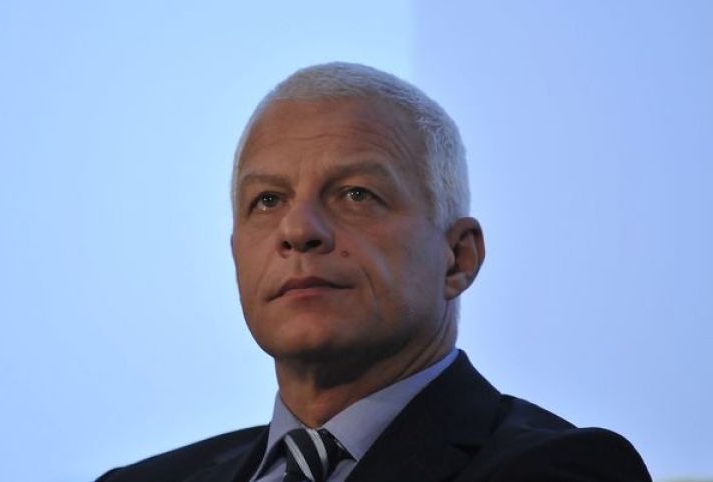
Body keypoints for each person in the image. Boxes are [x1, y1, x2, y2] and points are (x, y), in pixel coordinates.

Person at [96, 62, 651, 482]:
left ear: (457, 257)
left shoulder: (561, 469)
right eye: (267, 200)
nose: (298, 229)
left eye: (356, 194)